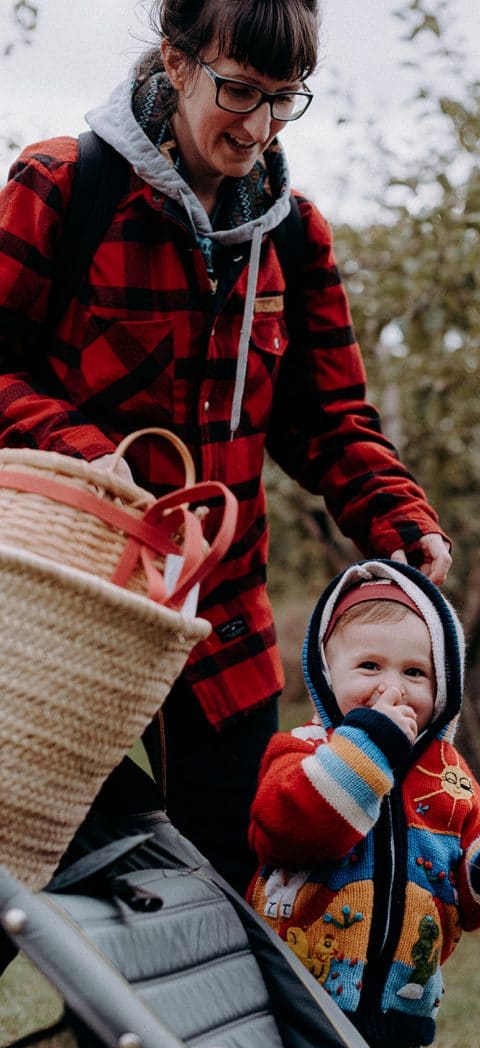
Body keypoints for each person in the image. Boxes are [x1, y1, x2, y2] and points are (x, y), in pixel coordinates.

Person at [0, 0, 451, 894]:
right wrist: (95, 460)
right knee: (21, 867)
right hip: (63, 606)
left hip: (221, 627)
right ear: (175, 62)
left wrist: (396, 513)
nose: (260, 125)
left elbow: (328, 419)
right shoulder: (62, 187)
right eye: (239, 90)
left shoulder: (291, 236)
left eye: (286, 99)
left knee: (225, 900)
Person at [247, 559, 480, 1048]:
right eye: (370, 665)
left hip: (402, 1005)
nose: (391, 687)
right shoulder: (302, 752)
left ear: (443, 684)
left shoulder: (448, 774)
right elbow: (294, 831)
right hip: (301, 1005)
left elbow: (473, 875)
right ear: (328, 673)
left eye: (415, 673)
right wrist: (369, 744)